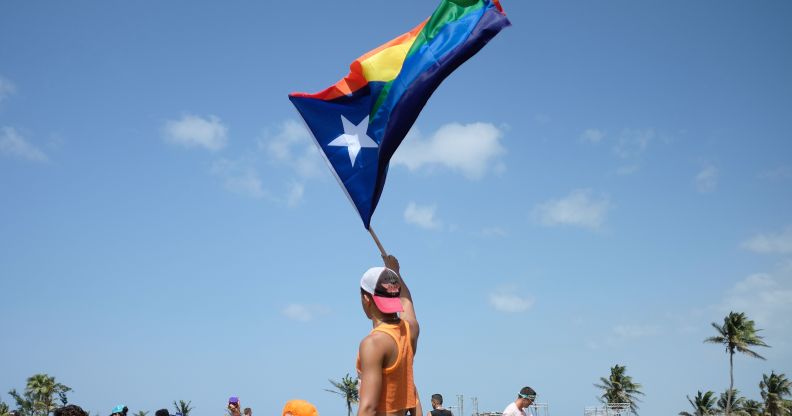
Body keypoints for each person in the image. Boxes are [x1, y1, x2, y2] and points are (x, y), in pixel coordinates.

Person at [356, 254, 422, 416]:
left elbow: (368, 408)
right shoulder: (410, 329)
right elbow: (406, 301)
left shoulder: (374, 343)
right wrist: (395, 272)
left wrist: (394, 272)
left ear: (366, 299)